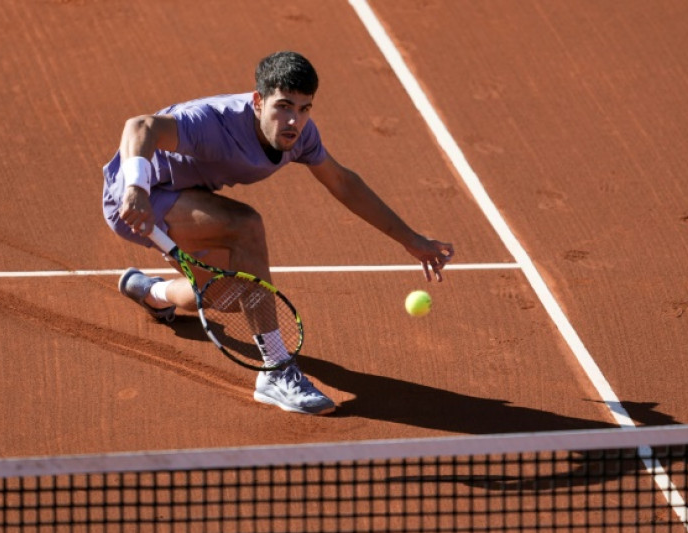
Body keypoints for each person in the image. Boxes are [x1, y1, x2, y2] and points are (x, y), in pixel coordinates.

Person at [102, 51, 454, 416]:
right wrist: (136, 189)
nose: (293, 120)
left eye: (304, 109)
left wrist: (411, 239)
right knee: (246, 226)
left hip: (185, 199)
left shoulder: (301, 137)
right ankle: (275, 370)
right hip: (134, 195)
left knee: (221, 294)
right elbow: (139, 127)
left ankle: (150, 291)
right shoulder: (214, 122)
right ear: (258, 101)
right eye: (283, 106)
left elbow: (343, 183)